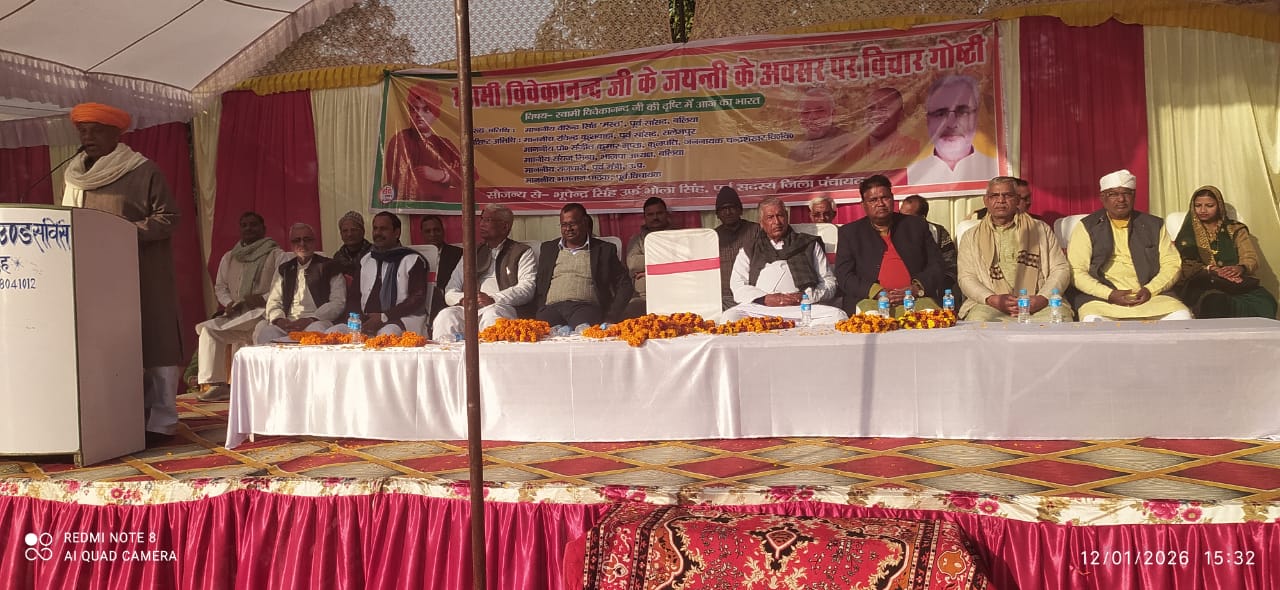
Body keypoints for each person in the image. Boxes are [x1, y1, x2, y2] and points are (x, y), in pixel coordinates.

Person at [62, 102, 183, 442]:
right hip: (95, 275)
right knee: (108, 345)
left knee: (154, 341)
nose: (88, 137)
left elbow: (169, 217)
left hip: (143, 271)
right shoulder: (75, 175)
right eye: (83, 131)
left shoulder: (142, 170)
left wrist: (122, 232)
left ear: (116, 134)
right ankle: (114, 416)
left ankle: (161, 421)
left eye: (96, 131)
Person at [1067, 169, 1191, 321]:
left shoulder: (1153, 225)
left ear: (1134, 196)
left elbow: (1171, 264)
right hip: (1102, 300)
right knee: (1093, 321)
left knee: (1182, 317)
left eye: (1126, 193)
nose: (1121, 199)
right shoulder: (1087, 226)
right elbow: (1076, 271)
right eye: (1113, 194)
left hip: (1151, 297)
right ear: (1102, 198)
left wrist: (1150, 289)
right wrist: (1109, 294)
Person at [195, 212, 285, 401]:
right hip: (237, 313)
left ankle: (263, 388)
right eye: (244, 225)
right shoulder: (230, 257)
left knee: (259, 334)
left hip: (263, 313)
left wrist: (262, 298)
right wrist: (229, 303)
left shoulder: (277, 254)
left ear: (263, 229)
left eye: (253, 224)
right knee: (209, 331)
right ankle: (217, 385)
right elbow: (220, 287)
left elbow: (282, 285)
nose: (248, 228)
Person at [957, 177, 1073, 322]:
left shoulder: (1040, 229)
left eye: (1007, 195)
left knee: (1060, 320)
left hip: (1039, 303)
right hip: (990, 305)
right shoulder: (971, 236)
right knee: (978, 321)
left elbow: (1060, 268)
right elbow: (966, 277)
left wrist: (1043, 298)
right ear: (986, 201)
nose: (1001, 200)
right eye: (994, 196)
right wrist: (992, 299)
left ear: (1017, 200)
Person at [834, 175, 944, 316]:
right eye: (873, 200)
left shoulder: (916, 226)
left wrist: (916, 288)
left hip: (915, 299)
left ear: (892, 199)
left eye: (884, 197)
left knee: (933, 322)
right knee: (870, 323)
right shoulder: (850, 233)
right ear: (863, 205)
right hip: (869, 300)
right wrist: (877, 292)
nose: (880, 203)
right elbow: (844, 276)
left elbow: (937, 265)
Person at [724, 197, 846, 325]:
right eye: (770, 217)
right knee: (729, 317)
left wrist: (805, 297)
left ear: (787, 217)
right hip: (762, 309)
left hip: (801, 308)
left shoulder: (808, 244)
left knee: (838, 315)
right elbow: (738, 286)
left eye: (780, 216)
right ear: (761, 222)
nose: (777, 222)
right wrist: (765, 299)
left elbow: (829, 282)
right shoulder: (750, 249)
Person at [433, 205, 536, 338]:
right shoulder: (471, 252)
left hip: (501, 307)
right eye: (482, 219)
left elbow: (527, 288)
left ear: (505, 226)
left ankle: (491, 353)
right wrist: (464, 299)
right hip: (469, 307)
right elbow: (450, 290)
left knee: (492, 315)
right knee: (446, 316)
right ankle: (447, 352)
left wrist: (493, 299)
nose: (482, 224)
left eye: (488, 220)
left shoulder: (521, 251)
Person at [1173, 185, 1277, 319]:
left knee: (1266, 301)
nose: (1203, 210)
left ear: (1220, 206)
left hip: (1236, 282)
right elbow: (1183, 264)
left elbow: (1250, 257)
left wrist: (1240, 268)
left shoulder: (1235, 229)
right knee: (1216, 302)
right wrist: (1211, 270)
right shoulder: (1187, 235)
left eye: (1209, 206)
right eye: (1198, 206)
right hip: (1202, 283)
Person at [330, 211, 430, 336]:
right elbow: (354, 297)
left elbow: (417, 298)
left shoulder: (412, 260)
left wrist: (384, 317)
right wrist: (357, 320)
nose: (378, 233)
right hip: (365, 320)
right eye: (375, 228)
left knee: (386, 335)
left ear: (396, 232)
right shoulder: (366, 260)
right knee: (332, 333)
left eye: (383, 229)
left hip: (400, 319)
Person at [532, 203, 633, 326]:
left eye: (572, 224)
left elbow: (624, 284)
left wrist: (611, 316)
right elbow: (539, 284)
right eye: (564, 224)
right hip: (551, 308)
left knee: (583, 331)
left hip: (585, 308)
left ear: (584, 222)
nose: (568, 228)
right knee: (539, 332)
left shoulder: (604, 250)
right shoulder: (548, 249)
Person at [253, 223, 346, 344]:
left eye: (307, 239)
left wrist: (311, 319)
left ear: (314, 242)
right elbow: (274, 301)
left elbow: (338, 302)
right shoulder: (284, 269)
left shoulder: (330, 266)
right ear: (291, 244)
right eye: (297, 240)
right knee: (267, 332)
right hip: (287, 323)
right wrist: (280, 320)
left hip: (317, 321)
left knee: (315, 332)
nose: (302, 244)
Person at [906, 74, 997, 185]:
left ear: (976, 117)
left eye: (963, 112)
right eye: (940, 114)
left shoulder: (995, 168)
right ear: (928, 121)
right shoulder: (911, 175)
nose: (951, 124)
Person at [382, 82, 462, 202]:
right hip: (410, 207)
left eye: (426, 110)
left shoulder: (444, 144)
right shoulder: (401, 140)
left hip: (443, 207)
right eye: (414, 109)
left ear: (436, 114)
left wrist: (441, 175)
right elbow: (401, 181)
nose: (419, 114)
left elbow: (470, 174)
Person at [623, 197, 676, 318]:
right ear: (645, 217)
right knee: (629, 312)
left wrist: (649, 271)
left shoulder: (678, 236)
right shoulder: (637, 240)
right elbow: (633, 264)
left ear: (666, 214)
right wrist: (666, 260)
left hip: (674, 292)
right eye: (650, 214)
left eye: (659, 213)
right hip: (644, 296)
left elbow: (682, 261)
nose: (655, 217)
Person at [713, 186, 760, 310]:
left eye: (732, 207)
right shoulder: (713, 237)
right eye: (723, 209)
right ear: (717, 214)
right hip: (723, 298)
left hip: (753, 296)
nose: (728, 212)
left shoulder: (756, 230)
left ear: (741, 210)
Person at [898, 194, 956, 293]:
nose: (901, 219)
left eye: (907, 217)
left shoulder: (938, 232)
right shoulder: (894, 232)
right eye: (900, 214)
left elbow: (951, 266)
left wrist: (934, 286)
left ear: (922, 218)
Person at [852, 87, 921, 169]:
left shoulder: (913, 148)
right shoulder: (852, 151)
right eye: (871, 108)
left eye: (883, 108)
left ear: (900, 115)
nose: (876, 115)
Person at [788, 87, 854, 164]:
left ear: (832, 114)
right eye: (806, 112)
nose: (812, 117)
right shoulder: (796, 152)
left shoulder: (851, 144)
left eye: (820, 111)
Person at [420, 214, 462, 323]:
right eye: (428, 231)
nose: (432, 234)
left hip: (447, 303)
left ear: (443, 231)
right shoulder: (416, 256)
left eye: (436, 230)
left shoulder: (457, 254)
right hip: (421, 303)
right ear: (422, 234)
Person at [968, 177, 1043, 221]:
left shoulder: (1037, 224)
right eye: (1025, 198)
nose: (1028, 202)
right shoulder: (976, 218)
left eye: (1029, 197)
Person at [332, 210, 372, 280]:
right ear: (341, 234)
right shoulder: (337, 257)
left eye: (353, 230)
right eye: (345, 231)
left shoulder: (374, 253)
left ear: (363, 231)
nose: (349, 234)